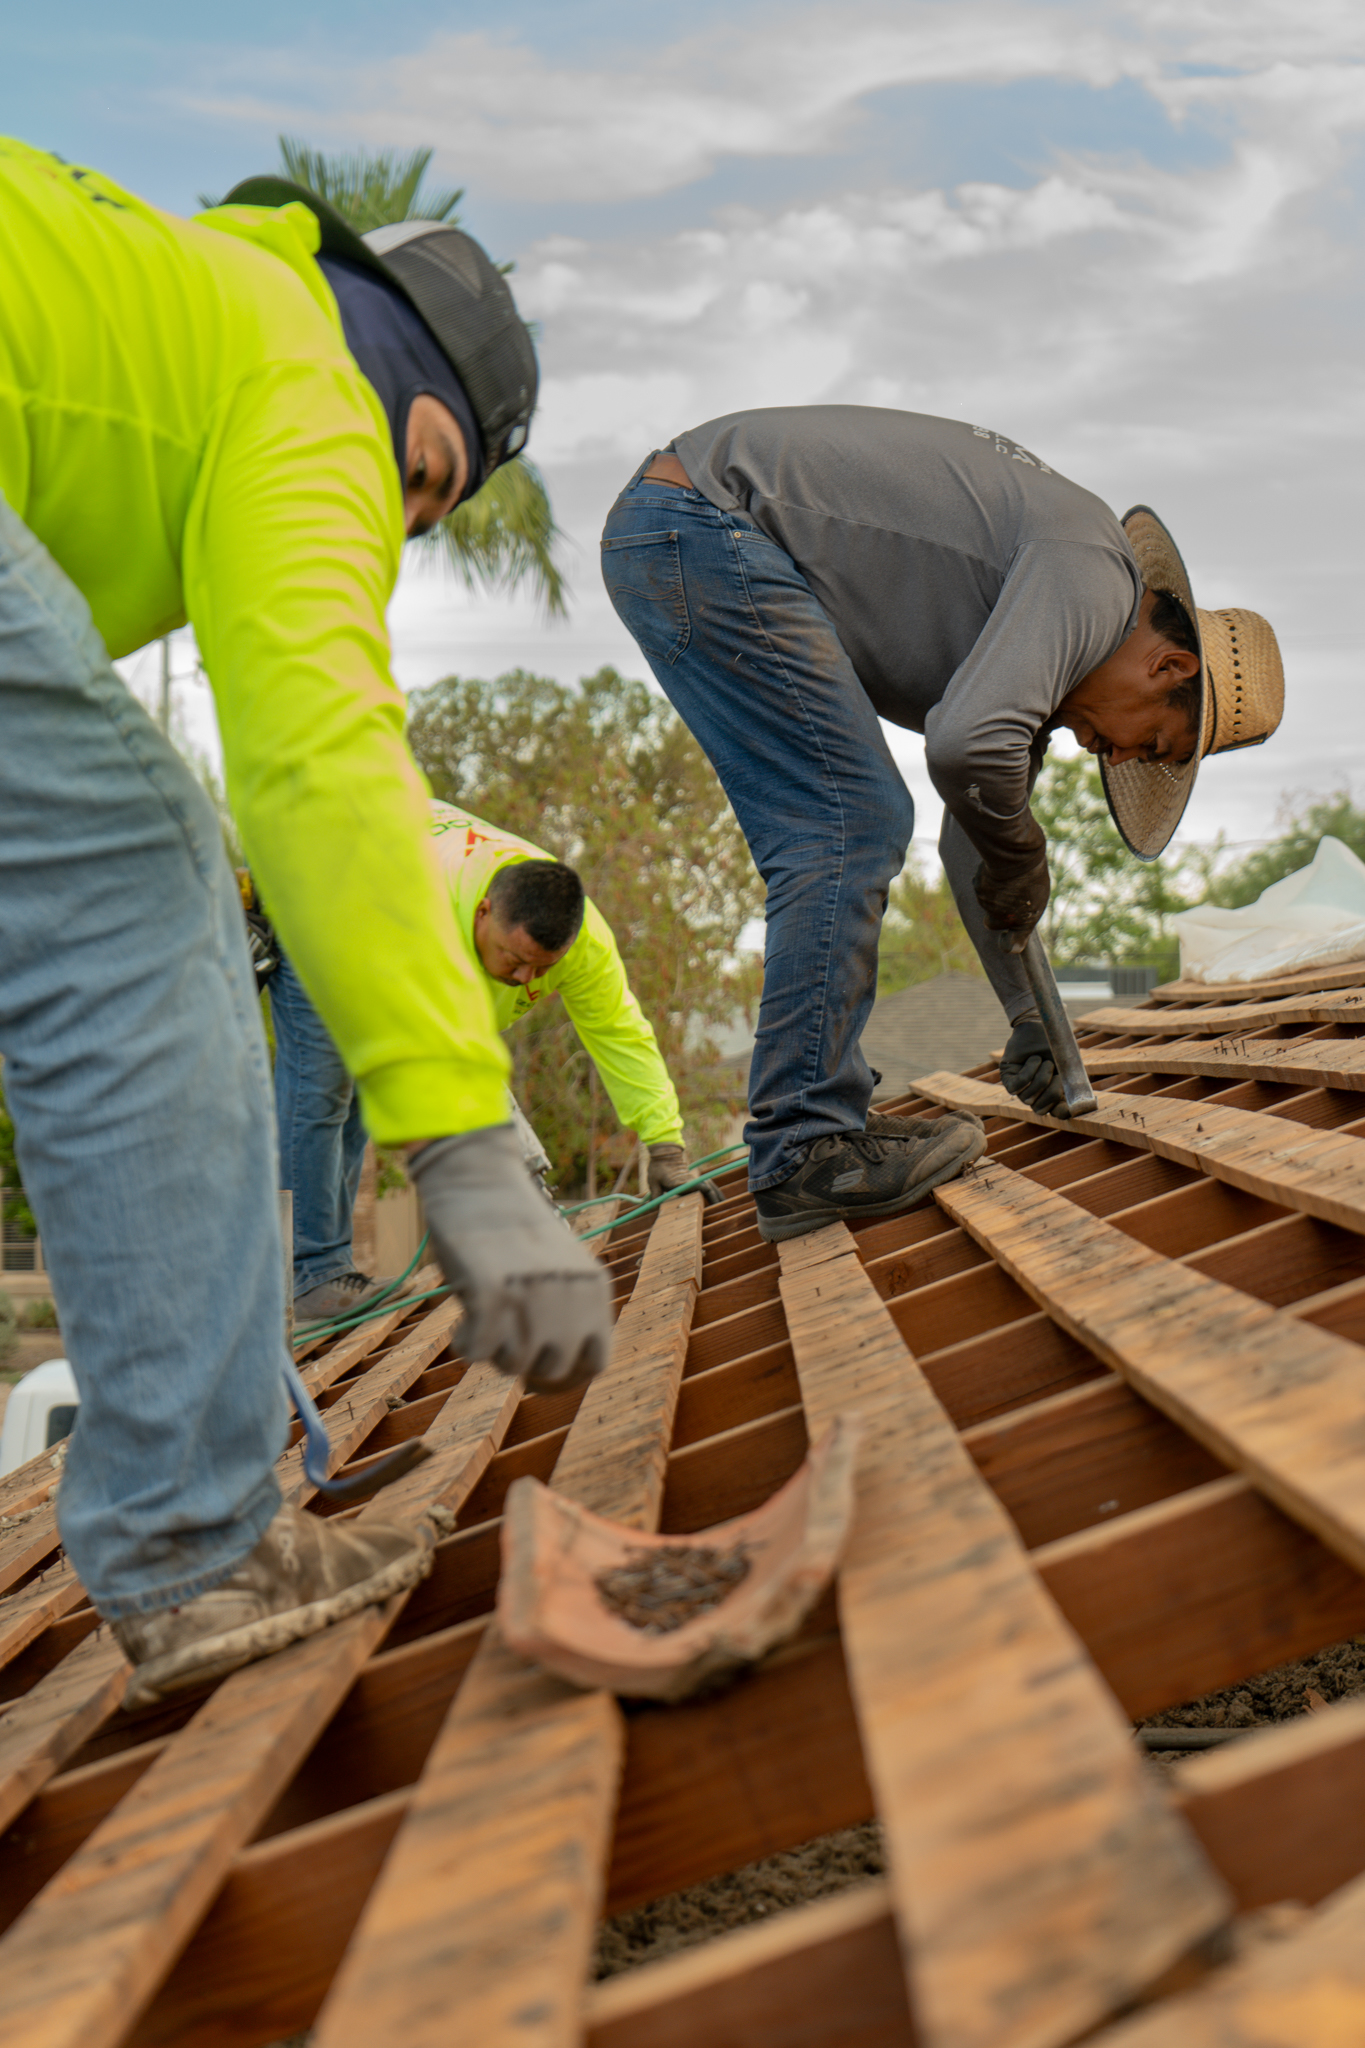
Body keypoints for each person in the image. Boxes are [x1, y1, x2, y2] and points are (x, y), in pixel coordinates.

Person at [0, 141, 611, 1708]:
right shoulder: (311, 375)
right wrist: (468, 1152)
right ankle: (195, 1543)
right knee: (136, 884)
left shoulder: (169, 304)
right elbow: (318, 763)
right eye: (425, 496)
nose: (399, 531)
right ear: (421, 415)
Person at [601, 408, 1283, 1242]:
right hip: (704, 524)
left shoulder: (1037, 660)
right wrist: (1023, 848)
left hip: (685, 528)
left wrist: (1028, 1014)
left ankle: (810, 1132)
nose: (1110, 752)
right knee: (851, 821)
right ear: (1167, 666)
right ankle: (804, 1147)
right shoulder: (1092, 574)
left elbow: (973, 838)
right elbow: (966, 753)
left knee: (845, 820)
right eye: (1150, 741)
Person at [270, 799, 720, 1318]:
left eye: (542, 968)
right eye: (516, 959)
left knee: (352, 1109)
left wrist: (665, 1146)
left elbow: (622, 1036)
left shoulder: (583, 943)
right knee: (323, 1087)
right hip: (323, 898)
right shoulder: (422, 914)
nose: (528, 979)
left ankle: (329, 1270)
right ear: (483, 912)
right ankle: (312, 1274)